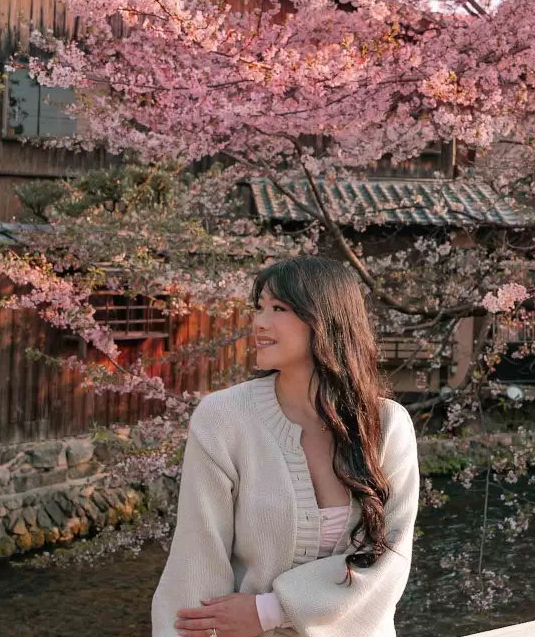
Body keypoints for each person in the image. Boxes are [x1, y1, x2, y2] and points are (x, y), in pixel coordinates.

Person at [151, 256, 420, 637]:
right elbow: (197, 562)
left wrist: (269, 610)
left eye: (278, 309)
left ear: (325, 320)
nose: (259, 322)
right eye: (259, 307)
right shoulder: (223, 418)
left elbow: (390, 562)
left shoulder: (387, 426)